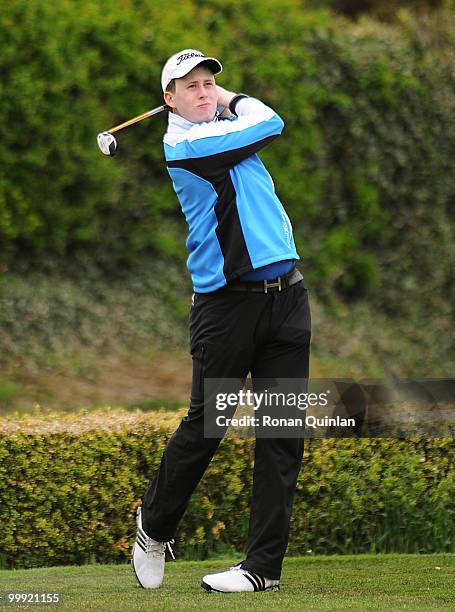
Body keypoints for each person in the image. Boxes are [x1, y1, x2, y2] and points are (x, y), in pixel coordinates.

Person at [132, 49, 311, 593]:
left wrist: (222, 104)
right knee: (207, 426)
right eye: (191, 86)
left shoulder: (223, 130)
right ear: (169, 100)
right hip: (227, 309)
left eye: (211, 83)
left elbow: (258, 122)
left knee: (282, 434)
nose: (206, 92)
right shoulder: (187, 147)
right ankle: (153, 527)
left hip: (287, 300)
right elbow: (272, 118)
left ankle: (262, 569)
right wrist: (234, 102)